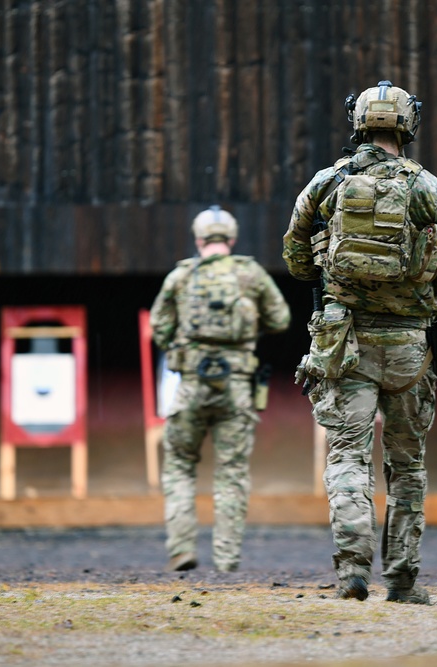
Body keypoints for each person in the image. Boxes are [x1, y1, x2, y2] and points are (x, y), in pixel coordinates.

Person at [283, 81, 437, 603]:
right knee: (407, 464)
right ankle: (405, 580)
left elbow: (296, 260)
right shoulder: (429, 187)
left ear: (358, 122)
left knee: (347, 456)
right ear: (408, 125)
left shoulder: (326, 184)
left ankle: (351, 571)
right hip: (412, 347)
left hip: (343, 346)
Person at [151, 206, 291, 572]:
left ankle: (181, 549)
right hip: (237, 388)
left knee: (180, 466)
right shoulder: (251, 273)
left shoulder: (181, 276)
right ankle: (227, 561)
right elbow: (281, 319)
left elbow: (159, 329)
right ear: (231, 239)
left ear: (198, 240)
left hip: (191, 386)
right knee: (231, 472)